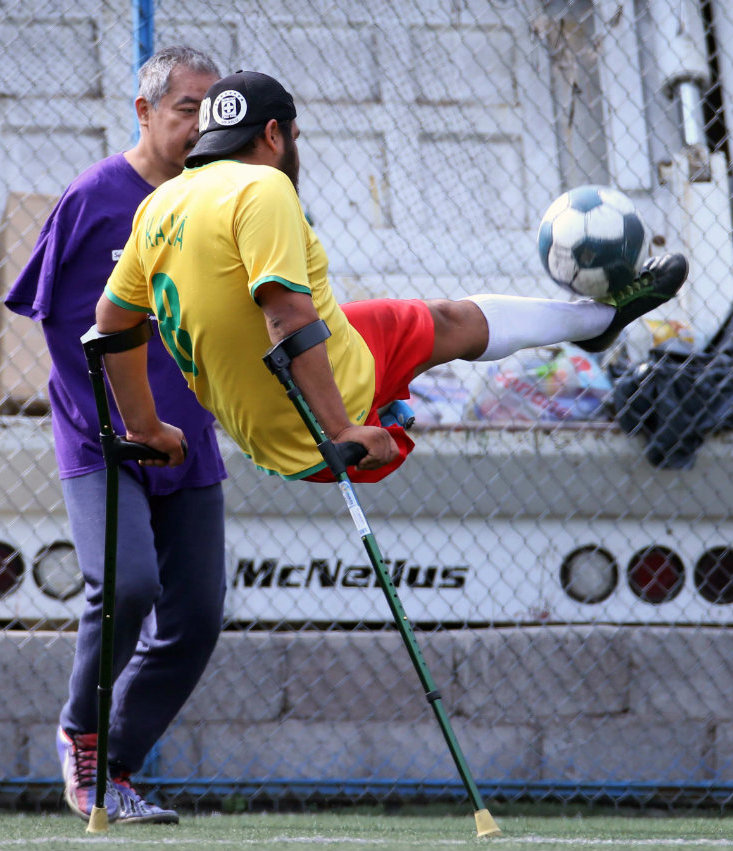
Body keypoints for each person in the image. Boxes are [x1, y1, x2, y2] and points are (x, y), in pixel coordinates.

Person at [93, 69, 688, 487]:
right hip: (318, 427)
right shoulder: (263, 185)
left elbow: (110, 324)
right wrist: (342, 429)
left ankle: (594, 323)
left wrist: (146, 430)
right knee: (445, 322)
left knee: (403, 316)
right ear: (273, 135)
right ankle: (597, 319)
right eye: (293, 138)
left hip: (260, 436)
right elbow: (287, 317)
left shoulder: (159, 204)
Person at [5, 47, 227, 825]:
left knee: (197, 616)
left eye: (212, 111)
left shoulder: (220, 200)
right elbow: (61, 327)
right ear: (144, 111)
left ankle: (115, 766)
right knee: (128, 582)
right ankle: (82, 732)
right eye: (186, 108)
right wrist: (130, 424)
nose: (200, 125)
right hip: (101, 437)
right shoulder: (95, 197)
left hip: (189, 441)